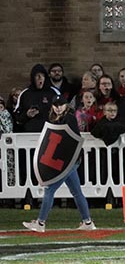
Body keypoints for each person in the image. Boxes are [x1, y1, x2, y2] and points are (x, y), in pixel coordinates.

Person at [23, 97, 96, 233]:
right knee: (76, 192)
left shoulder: (69, 118)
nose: (58, 107)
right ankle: (88, 222)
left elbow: (73, 141)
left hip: (68, 161)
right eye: (55, 105)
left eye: (61, 105)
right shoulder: (54, 119)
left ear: (66, 105)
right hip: (66, 162)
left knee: (49, 189)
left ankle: (40, 223)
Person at [15, 64, 54, 133]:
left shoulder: (53, 92)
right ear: (33, 78)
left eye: (42, 75)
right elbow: (17, 116)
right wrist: (27, 115)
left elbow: (62, 112)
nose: (40, 78)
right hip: (30, 133)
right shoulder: (25, 94)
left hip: (49, 133)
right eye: (37, 76)